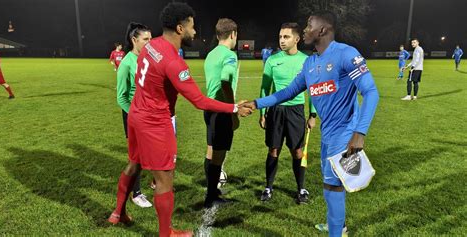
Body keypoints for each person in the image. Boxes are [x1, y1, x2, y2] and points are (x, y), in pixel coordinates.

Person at [107, 3, 252, 237]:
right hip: (155, 123)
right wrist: (234, 107)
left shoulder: (151, 45)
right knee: (165, 180)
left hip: (135, 116)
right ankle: (167, 234)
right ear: (179, 28)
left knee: (134, 164)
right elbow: (199, 101)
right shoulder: (173, 62)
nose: (195, 32)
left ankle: (118, 213)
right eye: (192, 27)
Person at [242, 11, 379, 237]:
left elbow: (371, 92)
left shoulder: (346, 54)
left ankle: (337, 232)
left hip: (345, 134)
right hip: (327, 134)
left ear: (322, 30)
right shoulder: (310, 63)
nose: (304, 30)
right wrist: (256, 103)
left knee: (333, 188)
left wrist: (359, 132)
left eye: (308, 26)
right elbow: (286, 92)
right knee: (329, 187)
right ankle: (338, 225)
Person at [258, 22, 316, 204]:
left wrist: (312, 115)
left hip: (296, 111)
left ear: (297, 39)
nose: (282, 40)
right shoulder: (272, 60)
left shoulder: (307, 61)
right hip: (275, 111)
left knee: (297, 151)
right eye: (280, 36)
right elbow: (264, 88)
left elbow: (312, 90)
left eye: (286, 37)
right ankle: (268, 187)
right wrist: (262, 113)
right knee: (273, 150)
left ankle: (301, 188)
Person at [203, 18, 239, 208]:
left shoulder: (211, 54)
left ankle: (212, 191)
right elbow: (225, 80)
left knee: (211, 151)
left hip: (209, 109)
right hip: (221, 110)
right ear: (233, 34)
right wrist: (233, 109)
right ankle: (211, 196)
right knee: (218, 155)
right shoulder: (230, 55)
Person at [116, 22, 153, 208]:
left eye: (150, 38)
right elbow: (121, 97)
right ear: (134, 40)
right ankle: (136, 193)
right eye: (145, 39)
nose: (149, 42)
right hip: (133, 116)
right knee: (137, 156)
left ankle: (156, 182)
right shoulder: (126, 63)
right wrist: (136, 115)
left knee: (151, 151)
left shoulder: (148, 59)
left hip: (149, 114)